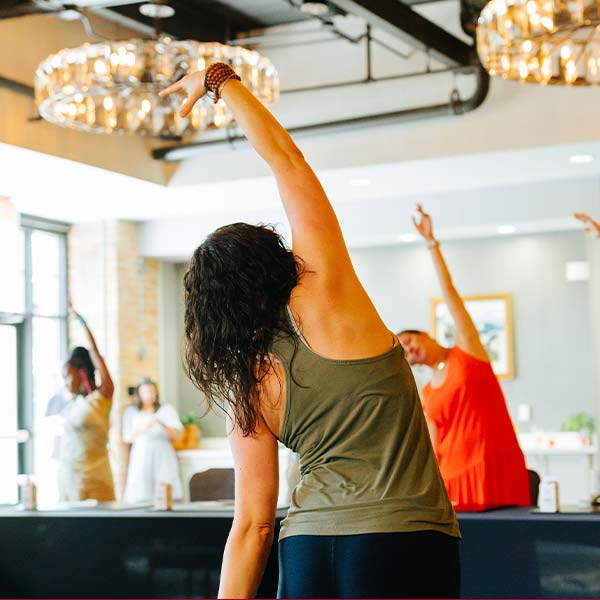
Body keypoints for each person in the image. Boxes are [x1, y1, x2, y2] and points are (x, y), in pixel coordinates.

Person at [159, 65, 460, 599]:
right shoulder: (324, 294)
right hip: (401, 539)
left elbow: (251, 527)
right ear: (272, 261)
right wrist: (219, 80)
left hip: (306, 550)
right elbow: (287, 161)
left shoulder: (246, 381)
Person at [397, 204, 530, 509]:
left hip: (494, 468)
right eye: (404, 352)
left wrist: (433, 245)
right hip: (451, 478)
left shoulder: (467, 351)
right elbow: (431, 443)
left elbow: (450, 293)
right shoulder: (428, 391)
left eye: (408, 341)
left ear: (426, 334)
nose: (409, 350)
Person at [59, 311, 115, 502]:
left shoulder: (102, 397)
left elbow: (94, 352)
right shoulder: (73, 404)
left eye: (68, 376)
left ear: (81, 372)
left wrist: (83, 322)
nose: (66, 382)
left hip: (97, 476)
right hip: (71, 476)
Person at [122, 378, 183, 504]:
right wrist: (141, 428)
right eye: (145, 392)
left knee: (164, 485)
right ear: (139, 394)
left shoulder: (166, 409)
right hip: (141, 453)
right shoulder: (131, 412)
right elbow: (126, 437)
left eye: (151, 392)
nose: (149, 395)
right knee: (141, 489)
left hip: (162, 453)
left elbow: (177, 435)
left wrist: (160, 423)